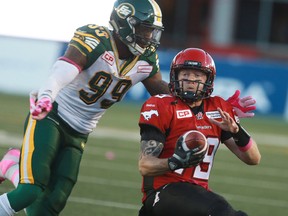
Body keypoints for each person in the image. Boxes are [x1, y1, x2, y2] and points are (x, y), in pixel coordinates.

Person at [0, 0, 256, 215]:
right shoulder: (96, 38)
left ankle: (11, 165)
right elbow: (62, 70)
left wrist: (213, 102)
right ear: (124, 23)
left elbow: (169, 92)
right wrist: (46, 96)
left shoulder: (145, 58)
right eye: (145, 30)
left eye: (152, 30)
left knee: (52, 204)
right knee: (31, 190)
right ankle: (12, 168)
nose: (149, 37)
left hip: (81, 130)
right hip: (52, 115)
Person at [137, 48, 261, 216]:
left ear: (208, 79)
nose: (191, 80)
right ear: (175, 76)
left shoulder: (218, 108)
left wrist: (237, 131)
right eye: (185, 74)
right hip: (164, 192)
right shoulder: (161, 106)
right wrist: (175, 161)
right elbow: (145, 166)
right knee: (222, 212)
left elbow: (253, 158)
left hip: (196, 196)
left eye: (197, 75)